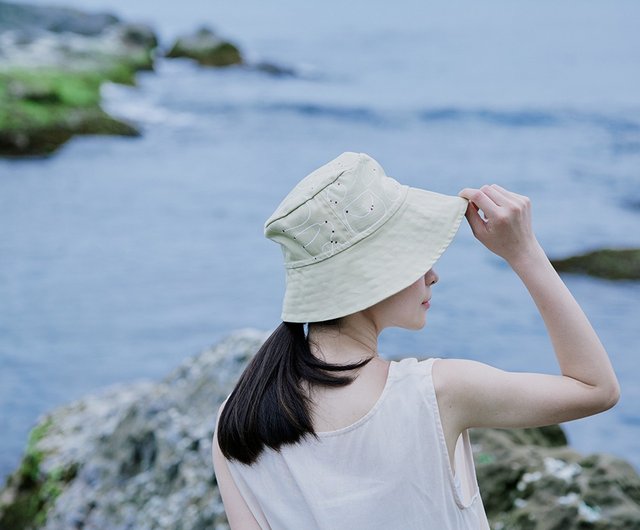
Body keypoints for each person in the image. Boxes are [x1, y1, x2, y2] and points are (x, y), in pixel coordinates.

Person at [212, 152, 620, 529]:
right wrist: (525, 252)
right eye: (413, 253)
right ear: (375, 272)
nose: (432, 275)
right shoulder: (436, 393)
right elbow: (595, 388)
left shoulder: (238, 421)